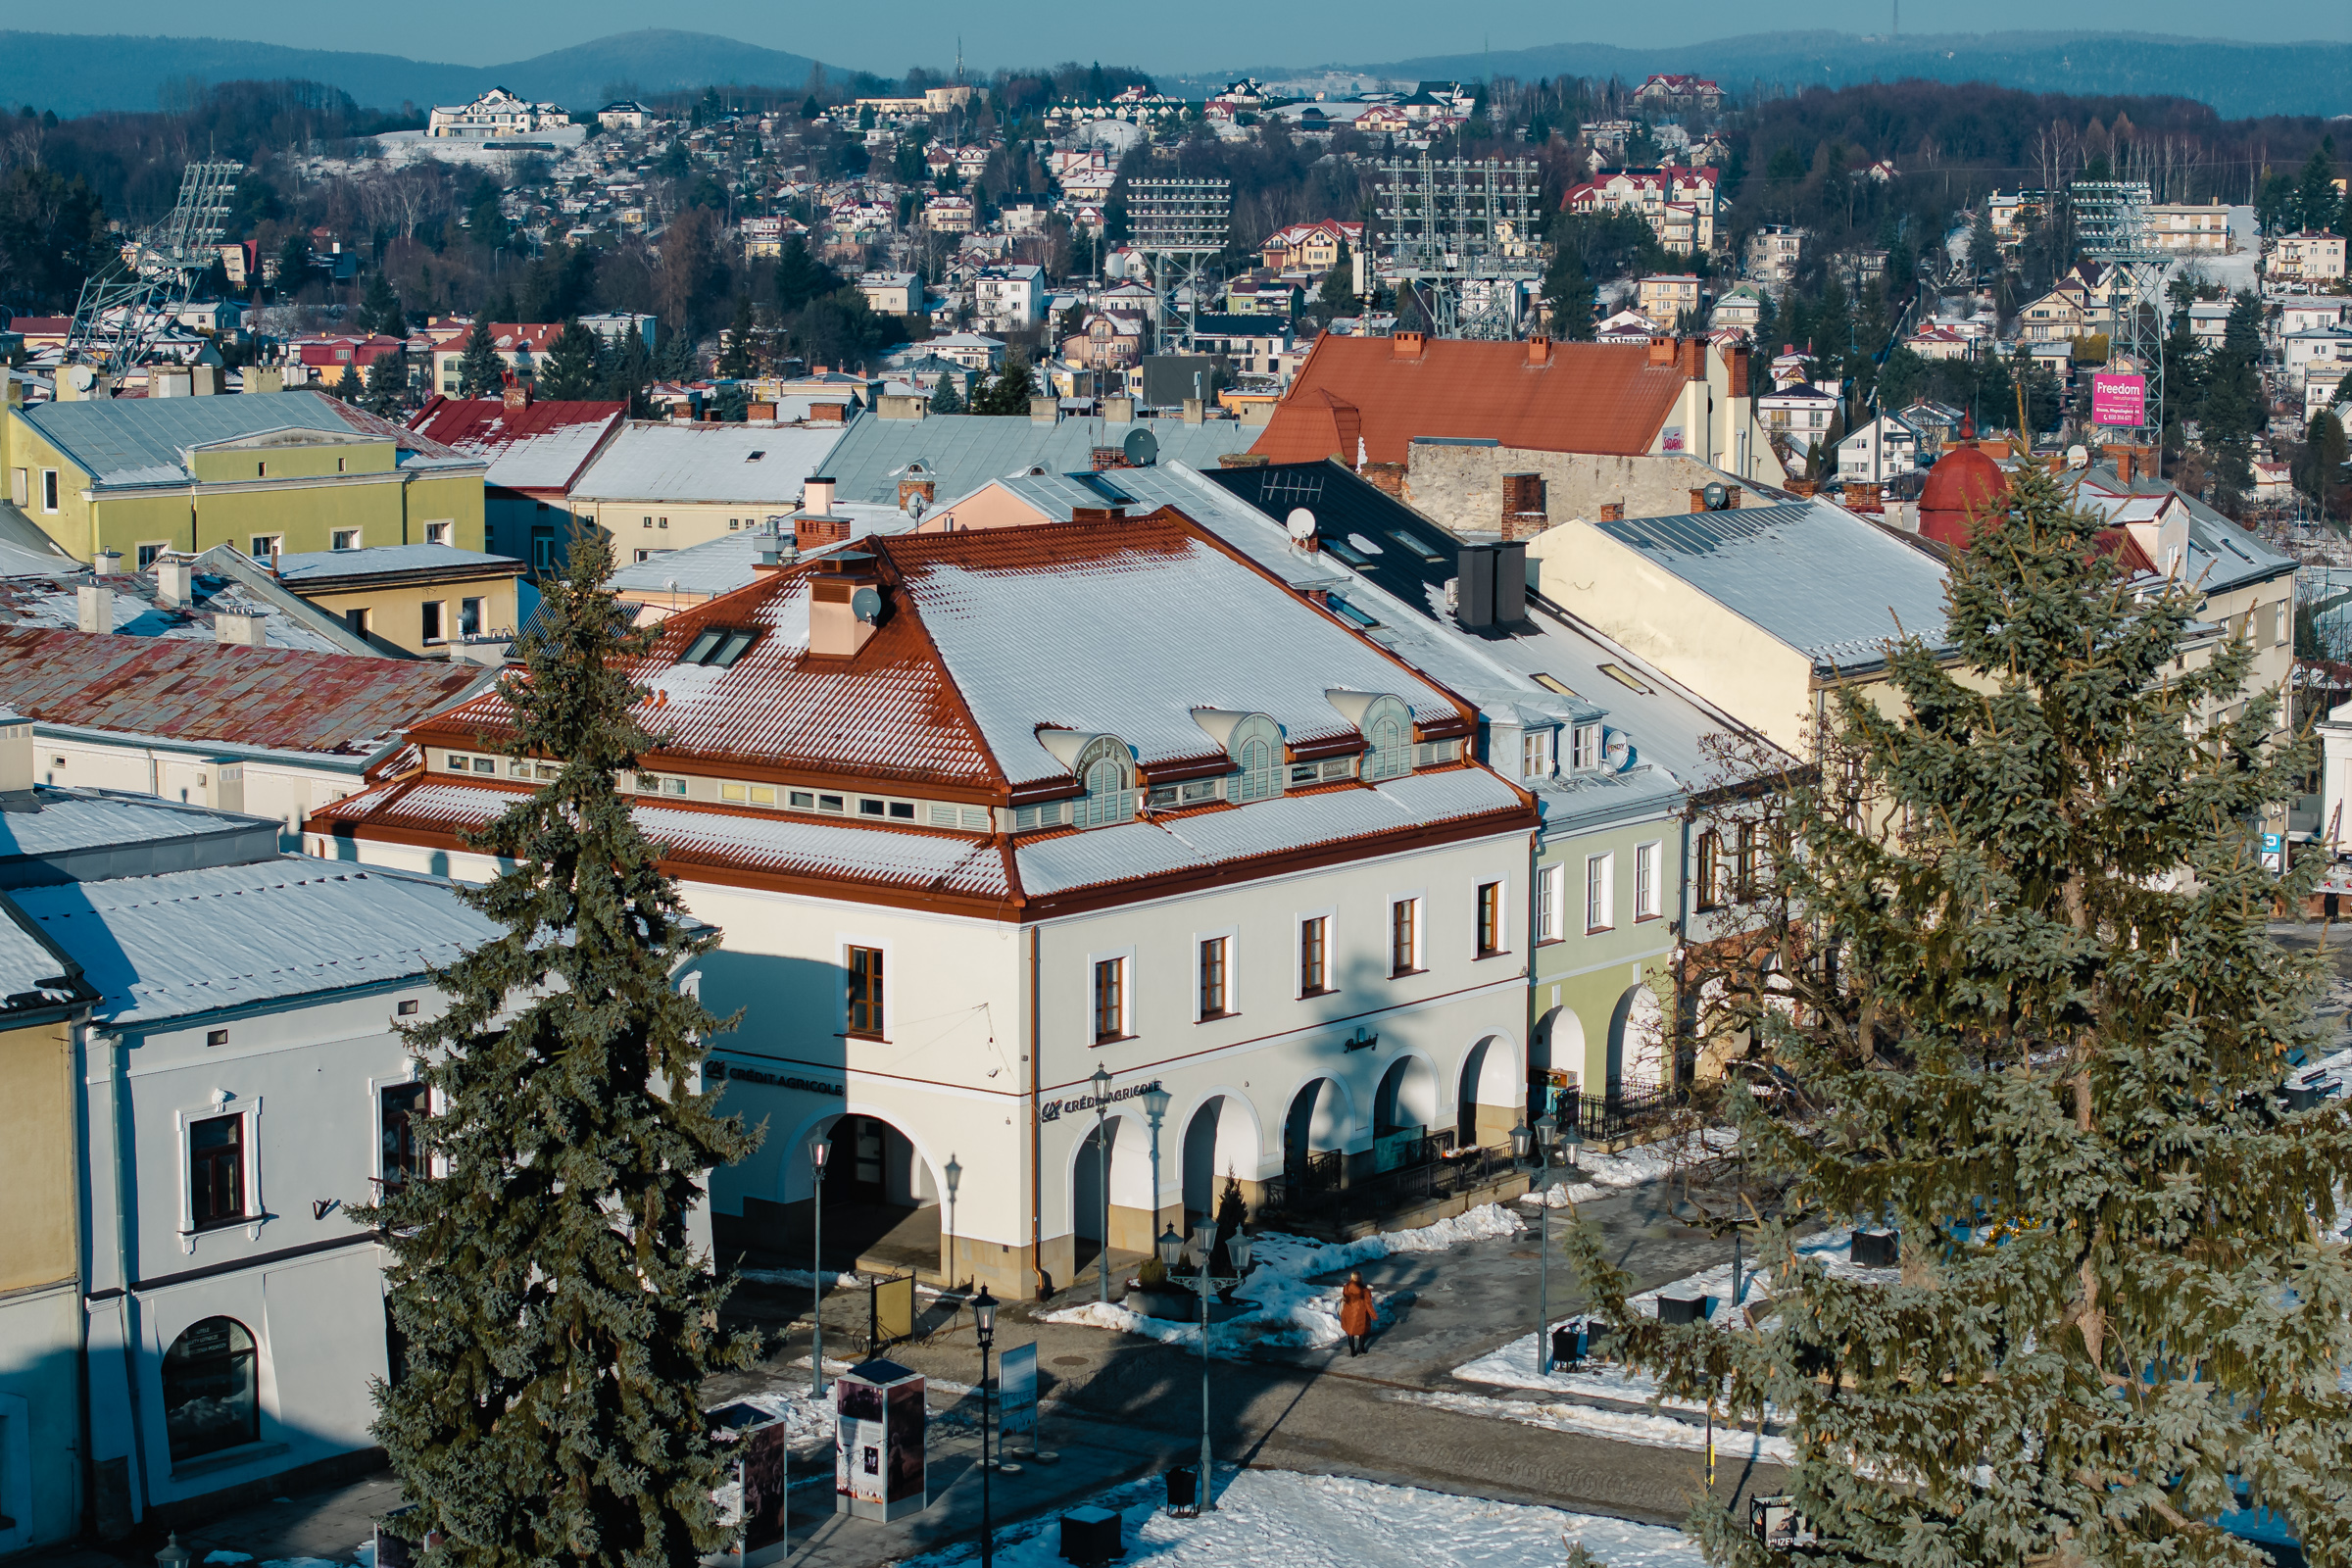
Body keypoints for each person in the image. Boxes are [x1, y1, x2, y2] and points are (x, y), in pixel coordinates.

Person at [1339, 1270, 1375, 1356]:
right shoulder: (1364, 1291)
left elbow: (1345, 1297)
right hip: (1361, 1313)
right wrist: (1373, 1315)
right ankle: (1361, 1348)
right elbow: (1368, 1304)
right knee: (1362, 1331)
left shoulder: (1346, 1287)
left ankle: (1352, 1351)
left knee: (1350, 1331)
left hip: (1348, 1311)